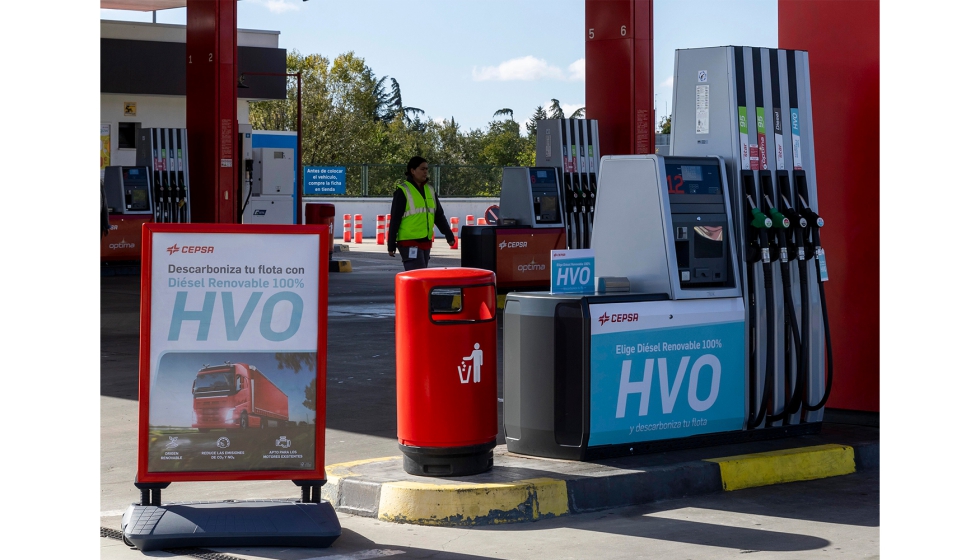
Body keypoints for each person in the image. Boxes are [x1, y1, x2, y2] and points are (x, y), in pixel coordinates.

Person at [387, 156, 455, 270]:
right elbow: (395, 219)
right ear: (413, 171)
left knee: (421, 276)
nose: (425, 172)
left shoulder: (430, 190)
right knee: (419, 277)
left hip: (425, 242)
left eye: (427, 169)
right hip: (409, 242)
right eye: (422, 169)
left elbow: (438, 216)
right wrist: (391, 243)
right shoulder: (403, 191)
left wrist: (448, 235)